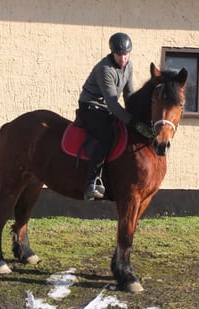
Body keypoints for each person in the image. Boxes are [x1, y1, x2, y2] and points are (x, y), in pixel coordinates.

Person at [76, 32, 152, 200]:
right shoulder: (105, 69)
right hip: (91, 107)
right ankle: (91, 183)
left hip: (107, 110)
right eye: (119, 55)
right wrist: (133, 122)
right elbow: (112, 103)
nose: (123, 58)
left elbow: (129, 94)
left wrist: (139, 118)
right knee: (107, 137)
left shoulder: (128, 66)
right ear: (113, 53)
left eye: (126, 54)